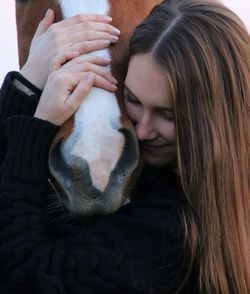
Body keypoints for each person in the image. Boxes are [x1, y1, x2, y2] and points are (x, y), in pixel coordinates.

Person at [0, 0, 249, 293]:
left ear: (213, 114)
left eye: (168, 114)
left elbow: (22, 274)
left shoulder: (168, 231)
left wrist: (32, 111)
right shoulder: (185, 185)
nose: (142, 132)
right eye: (131, 98)